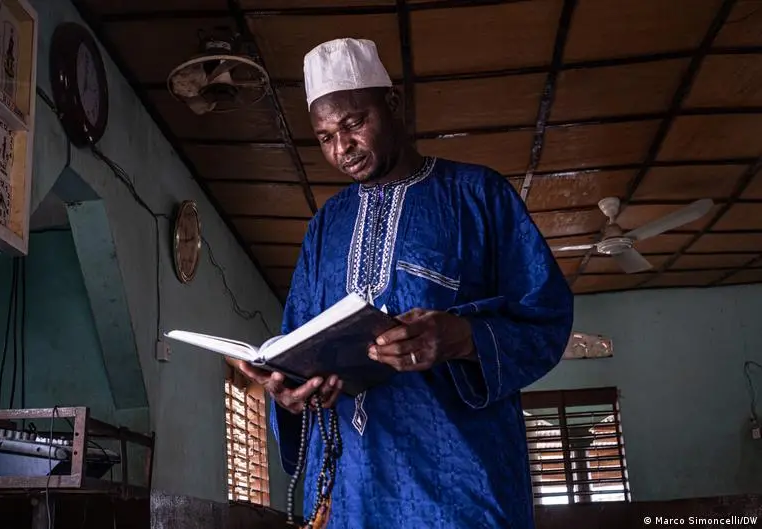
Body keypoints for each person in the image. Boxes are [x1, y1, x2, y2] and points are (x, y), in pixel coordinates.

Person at [229, 37, 574, 528]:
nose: (342, 148)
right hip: (348, 488)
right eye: (325, 137)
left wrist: (461, 338)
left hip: (460, 487)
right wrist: (289, 391)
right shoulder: (326, 224)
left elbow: (547, 319)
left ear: (393, 105)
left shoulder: (478, 195)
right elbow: (296, 341)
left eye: (353, 124)